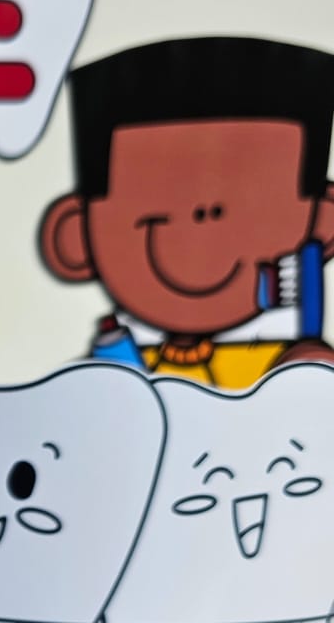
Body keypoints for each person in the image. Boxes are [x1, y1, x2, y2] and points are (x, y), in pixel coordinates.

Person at [39, 36, 334, 388]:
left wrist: (309, 379)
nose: (203, 213)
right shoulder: (115, 369)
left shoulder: (284, 363)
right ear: (75, 237)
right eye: (151, 188)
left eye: (251, 182)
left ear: (324, 221)